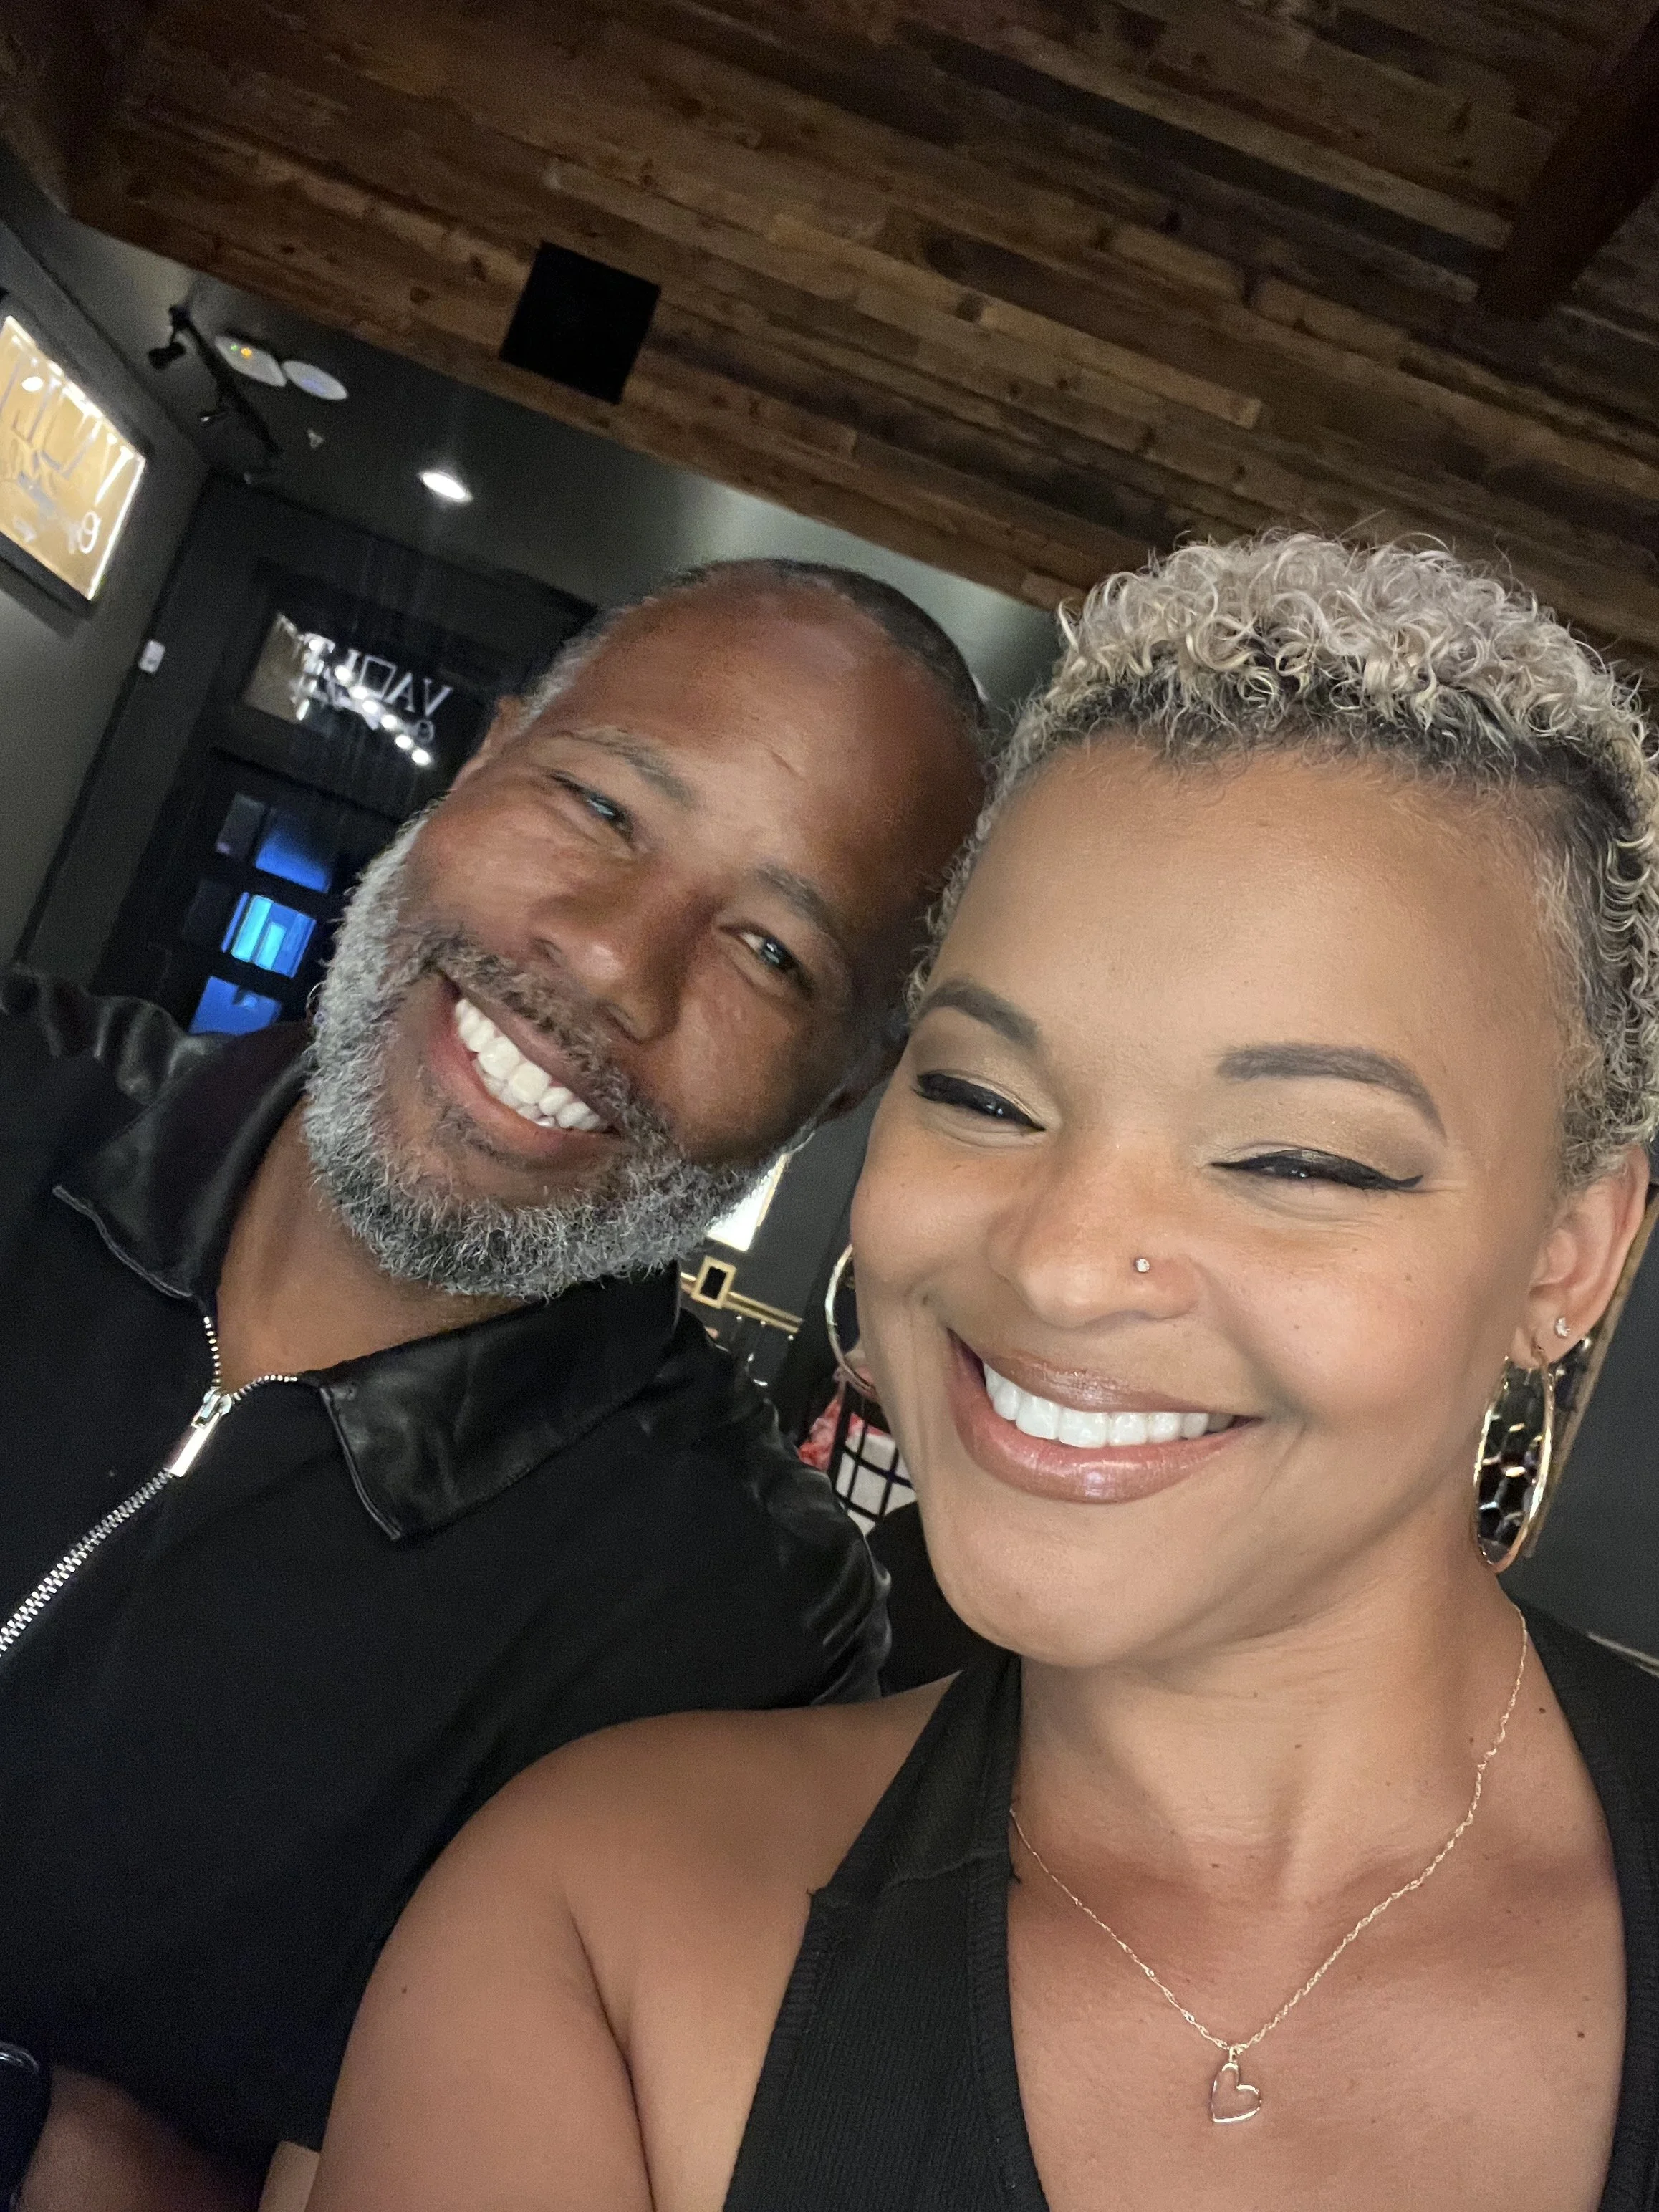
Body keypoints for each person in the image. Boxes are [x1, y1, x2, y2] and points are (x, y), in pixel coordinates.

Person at [302, 533, 1658, 2212]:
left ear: (1569, 1252)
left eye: (1298, 1158)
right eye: (986, 1096)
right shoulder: (614, 1928)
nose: (1065, 1262)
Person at [0, 557, 991, 2207]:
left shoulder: (732, 1629)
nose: (612, 961)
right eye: (602, 806)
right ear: (482, 759)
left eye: (769, 948)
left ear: (838, 1093)